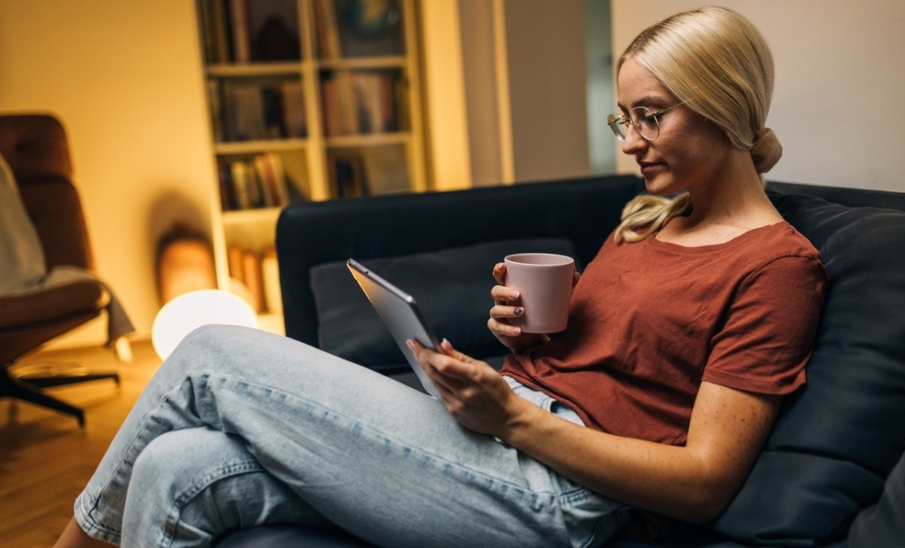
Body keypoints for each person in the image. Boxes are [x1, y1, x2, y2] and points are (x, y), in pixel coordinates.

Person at [55, 6, 827, 547]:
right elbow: (609, 355)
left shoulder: (775, 266)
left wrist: (518, 421)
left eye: (651, 116)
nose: (631, 141)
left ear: (725, 108)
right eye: (622, 119)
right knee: (176, 465)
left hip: (558, 492)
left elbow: (704, 482)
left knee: (211, 353)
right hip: (502, 433)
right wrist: (521, 334)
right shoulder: (647, 218)